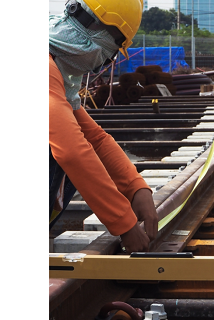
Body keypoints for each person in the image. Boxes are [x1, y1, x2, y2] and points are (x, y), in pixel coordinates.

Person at [49, 0, 158, 252]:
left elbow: (95, 138)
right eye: (111, 52)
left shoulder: (55, 70)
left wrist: (136, 187)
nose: (107, 60)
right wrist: (125, 224)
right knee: (60, 155)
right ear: (97, 34)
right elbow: (73, 152)